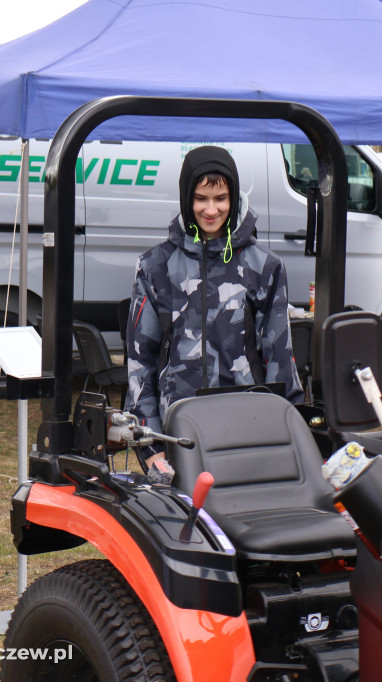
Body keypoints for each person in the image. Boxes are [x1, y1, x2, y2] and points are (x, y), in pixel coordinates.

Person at [126, 146, 302, 484]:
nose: (211, 209)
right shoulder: (155, 267)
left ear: (233, 198)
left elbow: (280, 358)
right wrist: (151, 448)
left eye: (221, 198)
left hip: (245, 430)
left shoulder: (264, 266)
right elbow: (139, 362)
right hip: (176, 433)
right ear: (186, 198)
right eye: (201, 198)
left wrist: (290, 431)